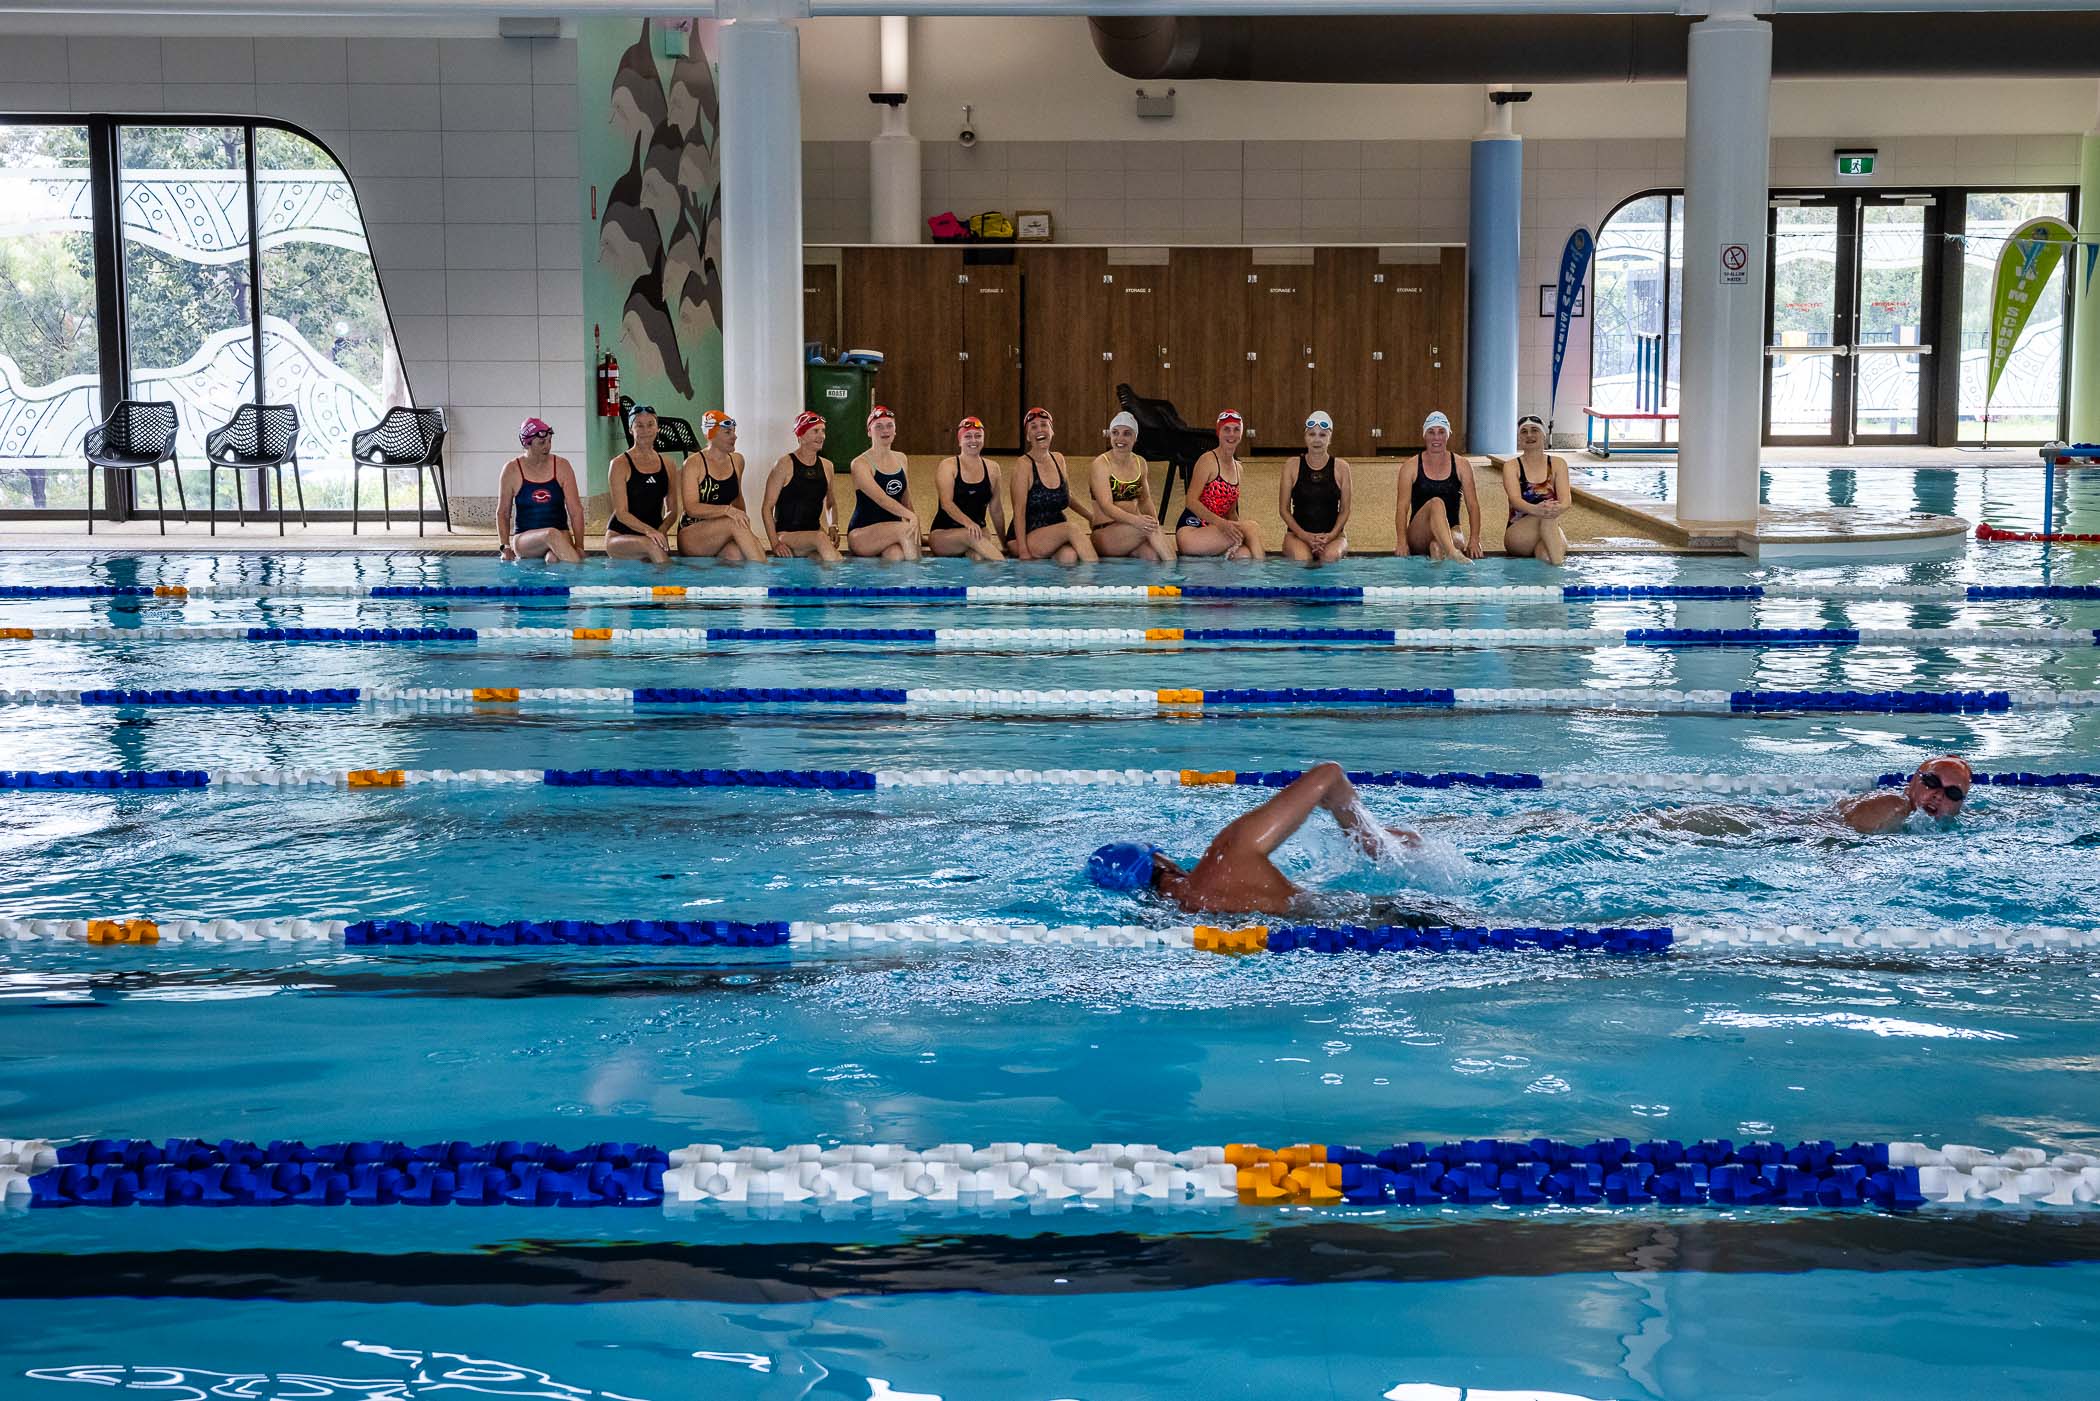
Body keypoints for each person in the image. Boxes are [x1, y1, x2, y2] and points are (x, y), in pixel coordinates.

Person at [1086, 762, 1420, 917]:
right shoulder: (1224, 859)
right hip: (1389, 916)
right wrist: (1368, 839)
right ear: (1162, 860)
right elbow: (1328, 775)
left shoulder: (1187, 916)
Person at [1008, 407, 1098, 565]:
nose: (1039, 430)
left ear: (1052, 431)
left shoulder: (1059, 459)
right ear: (1028, 436)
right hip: (1025, 536)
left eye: (1044, 425)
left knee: (1069, 557)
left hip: (1052, 533)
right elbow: (1019, 511)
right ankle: (1098, 580)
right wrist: (1023, 553)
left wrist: (1090, 517)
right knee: (1071, 528)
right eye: (1033, 427)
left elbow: (1067, 497)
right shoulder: (1023, 465)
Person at [678, 410, 768, 563]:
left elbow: (738, 499)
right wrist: (727, 510)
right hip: (692, 534)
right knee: (733, 522)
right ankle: (763, 577)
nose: (735, 436)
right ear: (711, 435)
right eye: (727, 432)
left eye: (734, 431)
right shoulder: (694, 464)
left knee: (737, 555)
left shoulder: (737, 460)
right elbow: (691, 508)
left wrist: (746, 530)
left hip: (721, 532)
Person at [1176, 409, 1265, 560]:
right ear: (1218, 432)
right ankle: (1263, 578)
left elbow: (1231, 513)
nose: (1231, 434)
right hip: (1192, 531)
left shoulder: (1238, 468)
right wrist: (1222, 524)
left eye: (1236, 429)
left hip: (1216, 532)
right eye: (1226, 429)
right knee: (1251, 527)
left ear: (1241, 434)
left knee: (1244, 555)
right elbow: (1190, 501)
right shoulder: (1208, 460)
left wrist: (1236, 535)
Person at [1396, 410, 1482, 563]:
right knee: (1436, 502)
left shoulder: (1462, 465)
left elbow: (1473, 505)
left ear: (1448, 434)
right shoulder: (1410, 466)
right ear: (1424, 435)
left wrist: (1475, 539)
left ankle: (1439, 583)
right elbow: (1402, 508)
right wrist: (1402, 541)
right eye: (1431, 432)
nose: (1436, 437)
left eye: (1441, 432)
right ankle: (1452, 553)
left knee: (1436, 547)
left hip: (1452, 530)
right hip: (1419, 532)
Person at [1087, 411, 1174, 562]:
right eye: (1115, 433)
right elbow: (1106, 505)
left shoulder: (1140, 462)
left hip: (1131, 532)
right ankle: (1175, 575)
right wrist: (1138, 521)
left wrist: (1154, 521)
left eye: (1126, 433)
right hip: (1105, 533)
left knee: (1152, 556)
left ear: (1135, 438)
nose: (1120, 438)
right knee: (1150, 530)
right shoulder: (1101, 464)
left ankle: (1156, 582)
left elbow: (1145, 500)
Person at [496, 417, 584, 564]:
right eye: (542, 442)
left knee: (553, 558)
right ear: (527, 444)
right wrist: (505, 546)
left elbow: (576, 511)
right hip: (525, 540)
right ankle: (582, 575)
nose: (547, 446)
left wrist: (580, 546)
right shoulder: (511, 470)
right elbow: (502, 512)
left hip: (561, 534)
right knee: (550, 534)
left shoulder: (562, 466)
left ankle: (562, 585)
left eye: (550, 441)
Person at [762, 411, 842, 560]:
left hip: (812, 534)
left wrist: (833, 525)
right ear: (801, 436)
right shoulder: (784, 465)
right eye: (815, 431)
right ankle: (839, 582)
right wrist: (775, 544)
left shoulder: (827, 466)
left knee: (823, 559)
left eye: (823, 431)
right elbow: (767, 507)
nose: (821, 436)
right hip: (786, 535)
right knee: (821, 539)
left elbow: (830, 503)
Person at [846, 405, 922, 561]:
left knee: (896, 557)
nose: (885, 431)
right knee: (904, 530)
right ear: (869, 432)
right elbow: (881, 499)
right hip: (862, 534)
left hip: (891, 533)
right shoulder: (860, 463)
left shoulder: (901, 458)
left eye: (889, 426)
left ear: (895, 430)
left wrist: (917, 530)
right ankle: (918, 581)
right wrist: (911, 518)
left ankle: (881, 584)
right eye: (878, 426)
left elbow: (905, 498)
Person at [604, 404, 677, 563]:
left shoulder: (668, 464)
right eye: (639, 426)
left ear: (657, 428)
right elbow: (621, 513)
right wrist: (650, 532)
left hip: (653, 536)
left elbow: (672, 510)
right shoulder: (619, 464)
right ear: (631, 429)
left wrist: (662, 531)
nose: (646, 430)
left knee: (653, 547)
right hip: (620, 537)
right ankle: (671, 586)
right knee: (652, 547)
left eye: (650, 424)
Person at [1278, 410, 1352, 565]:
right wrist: (1304, 536)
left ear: (1330, 438)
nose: (1317, 440)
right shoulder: (1292, 465)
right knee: (1302, 560)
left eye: (1322, 435)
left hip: (1334, 536)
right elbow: (1284, 510)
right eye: (1312, 434)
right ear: (1305, 437)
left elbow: (1345, 510)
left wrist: (1330, 536)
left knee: (1330, 558)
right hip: (1297, 536)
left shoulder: (1342, 467)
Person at [929, 415, 1007, 561]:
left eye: (978, 436)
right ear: (959, 441)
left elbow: (996, 509)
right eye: (968, 436)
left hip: (978, 533)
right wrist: (969, 523)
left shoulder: (993, 468)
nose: (973, 440)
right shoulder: (948, 466)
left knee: (978, 557)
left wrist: (1004, 543)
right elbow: (946, 503)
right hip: (944, 535)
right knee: (971, 535)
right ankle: (1006, 572)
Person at [1501, 413, 1572, 566]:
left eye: (1535, 430)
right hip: (1519, 534)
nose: (1530, 435)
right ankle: (1561, 573)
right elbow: (1515, 500)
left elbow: (1566, 502)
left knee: (1547, 556)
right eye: (1524, 431)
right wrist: (1540, 510)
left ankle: (1555, 575)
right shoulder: (1511, 466)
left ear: (1543, 435)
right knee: (1547, 515)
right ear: (1519, 438)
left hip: (1549, 528)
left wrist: (1553, 509)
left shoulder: (1558, 464)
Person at [1837, 756, 1973, 834]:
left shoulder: (1960, 822)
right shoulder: (1890, 805)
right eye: (1931, 781)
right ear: (1911, 785)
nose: (1938, 795)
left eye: (1952, 793)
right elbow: (1831, 836)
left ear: (1959, 806)